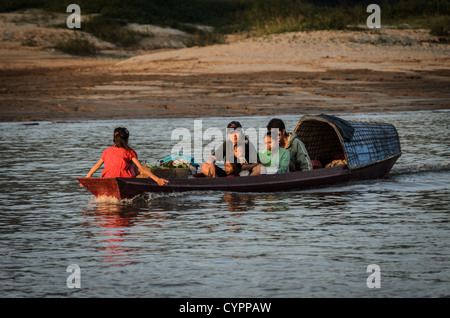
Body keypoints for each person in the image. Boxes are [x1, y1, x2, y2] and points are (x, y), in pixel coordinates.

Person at [81, 127, 168, 186]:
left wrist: (87, 178)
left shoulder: (106, 151)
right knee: (137, 167)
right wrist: (157, 180)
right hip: (125, 179)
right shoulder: (129, 152)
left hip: (108, 179)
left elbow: (97, 165)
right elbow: (141, 168)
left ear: (114, 139)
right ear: (127, 139)